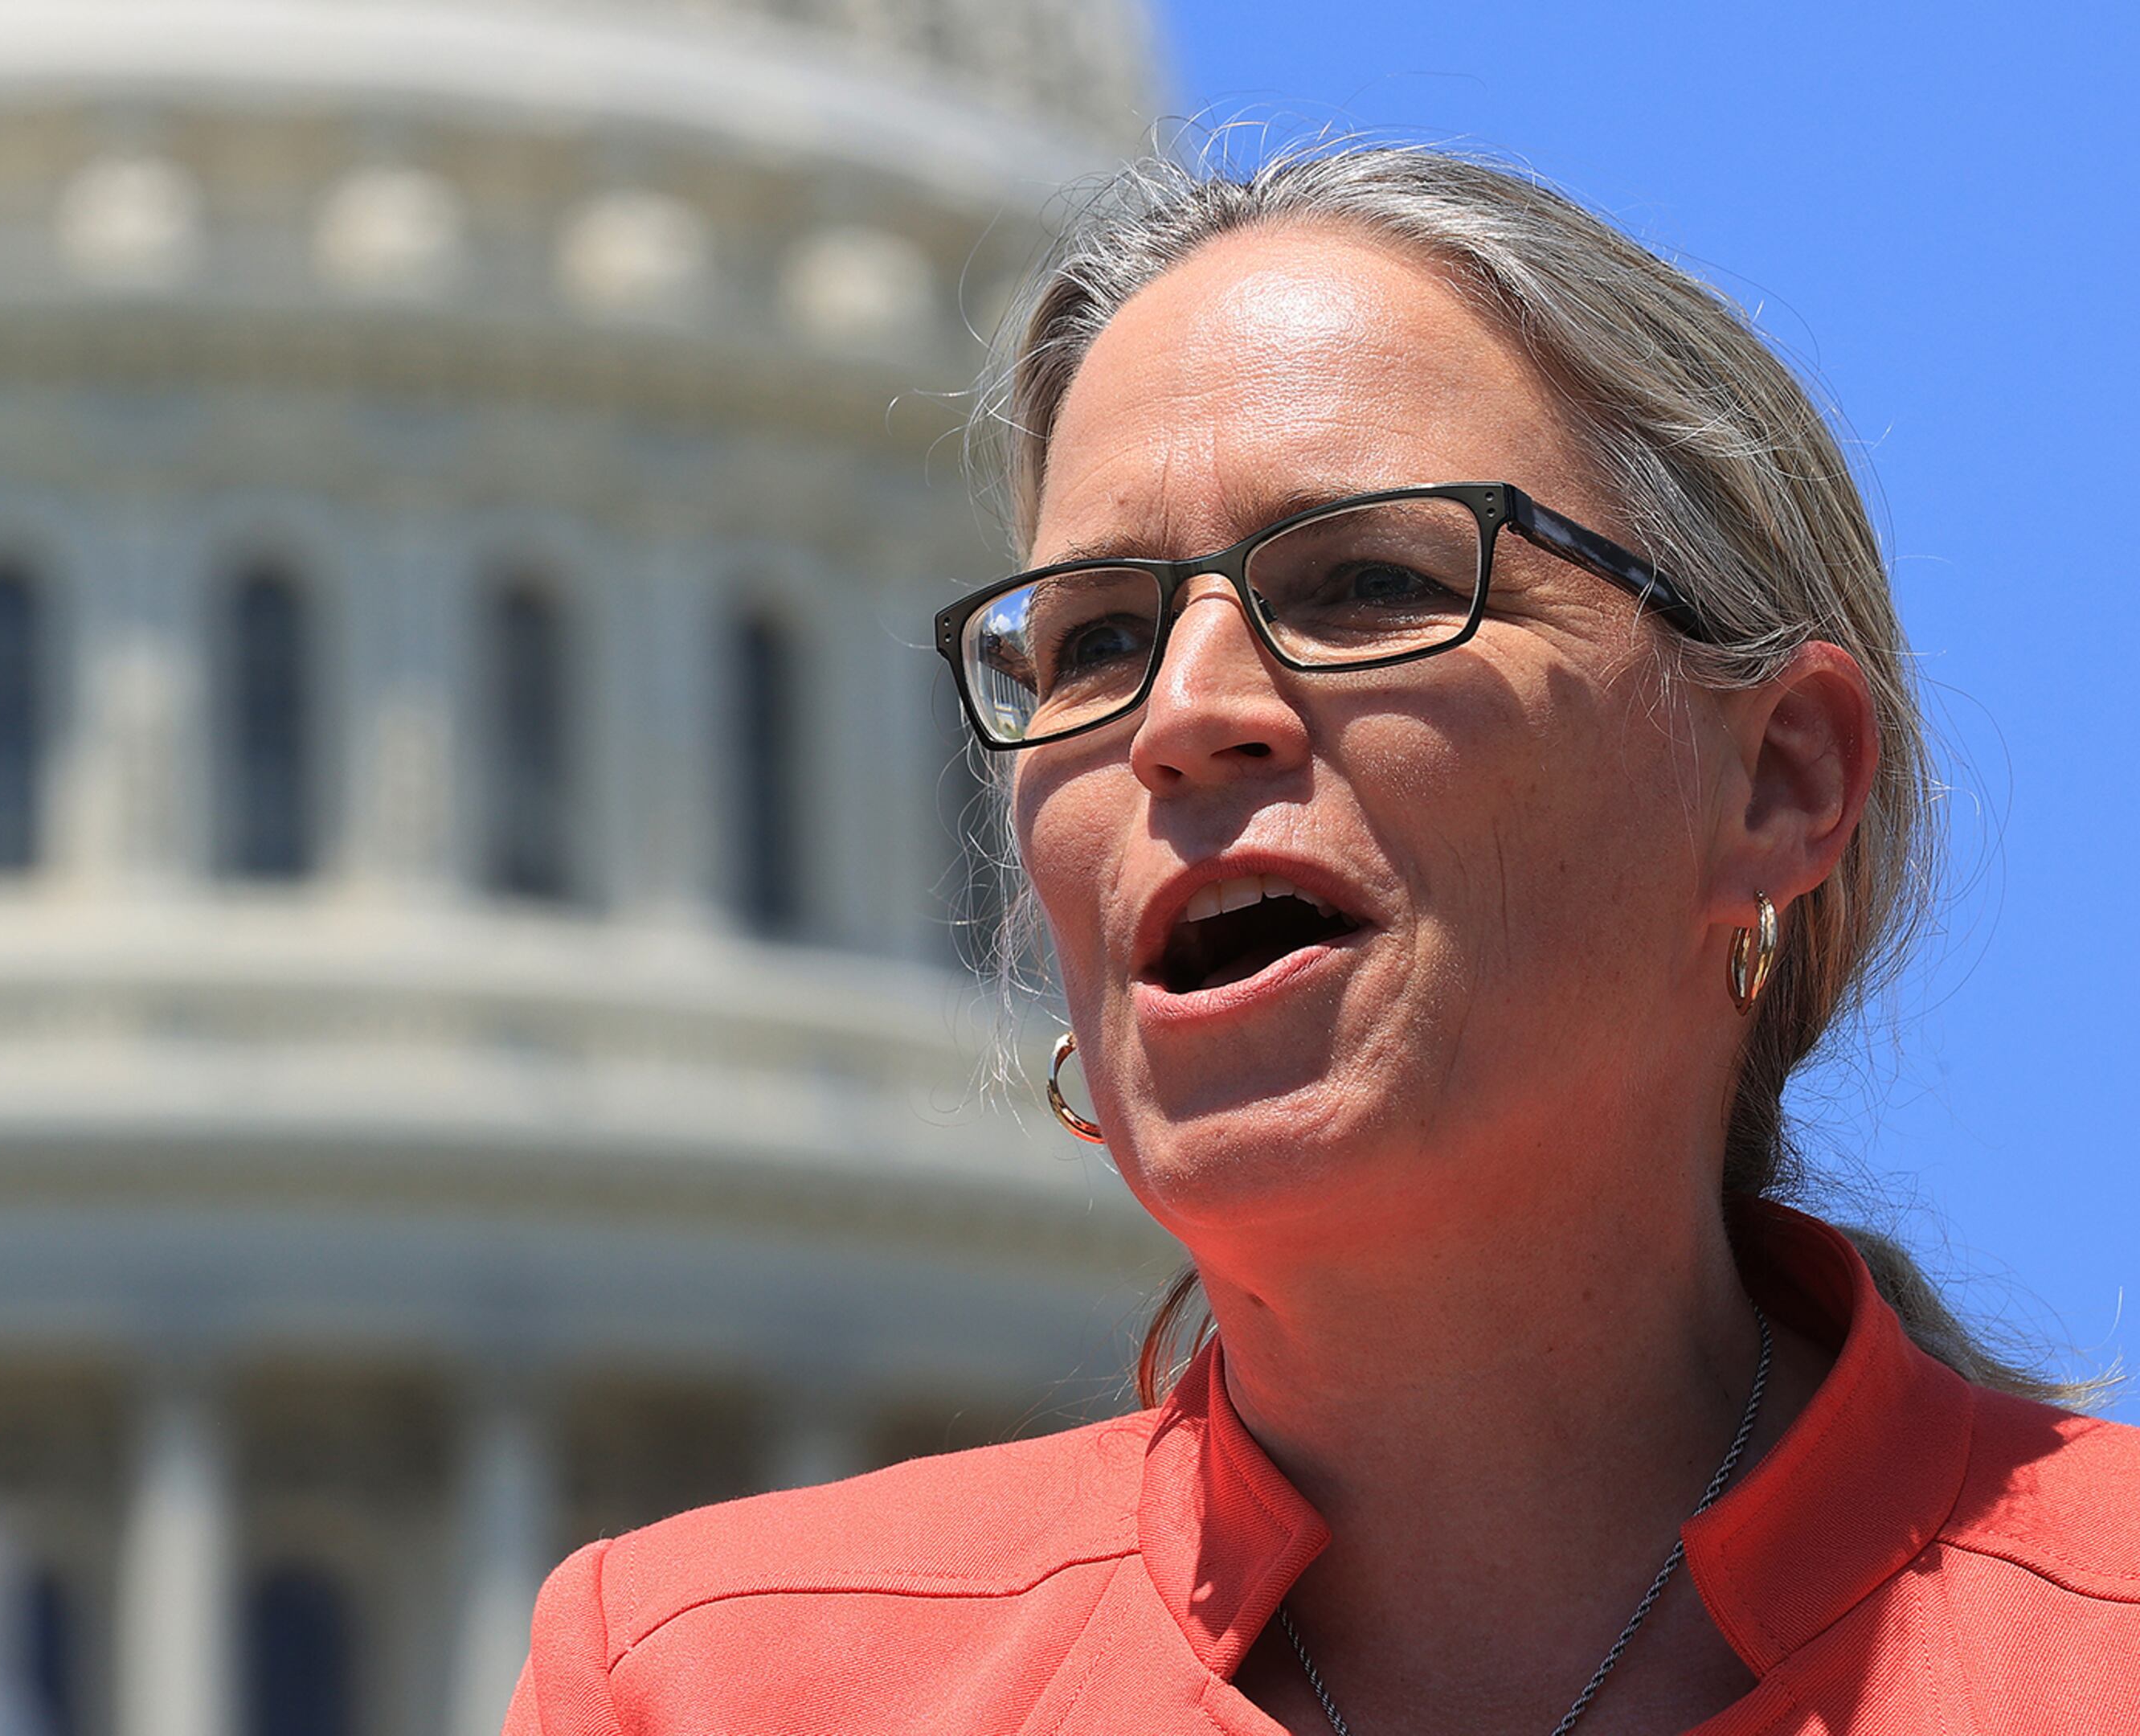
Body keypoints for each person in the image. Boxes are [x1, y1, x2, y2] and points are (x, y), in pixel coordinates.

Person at [501, 145, 2138, 1736]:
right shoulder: (717, 1689)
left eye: (1366, 583)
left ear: (1778, 780)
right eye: (1098, 638)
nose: (1186, 716)